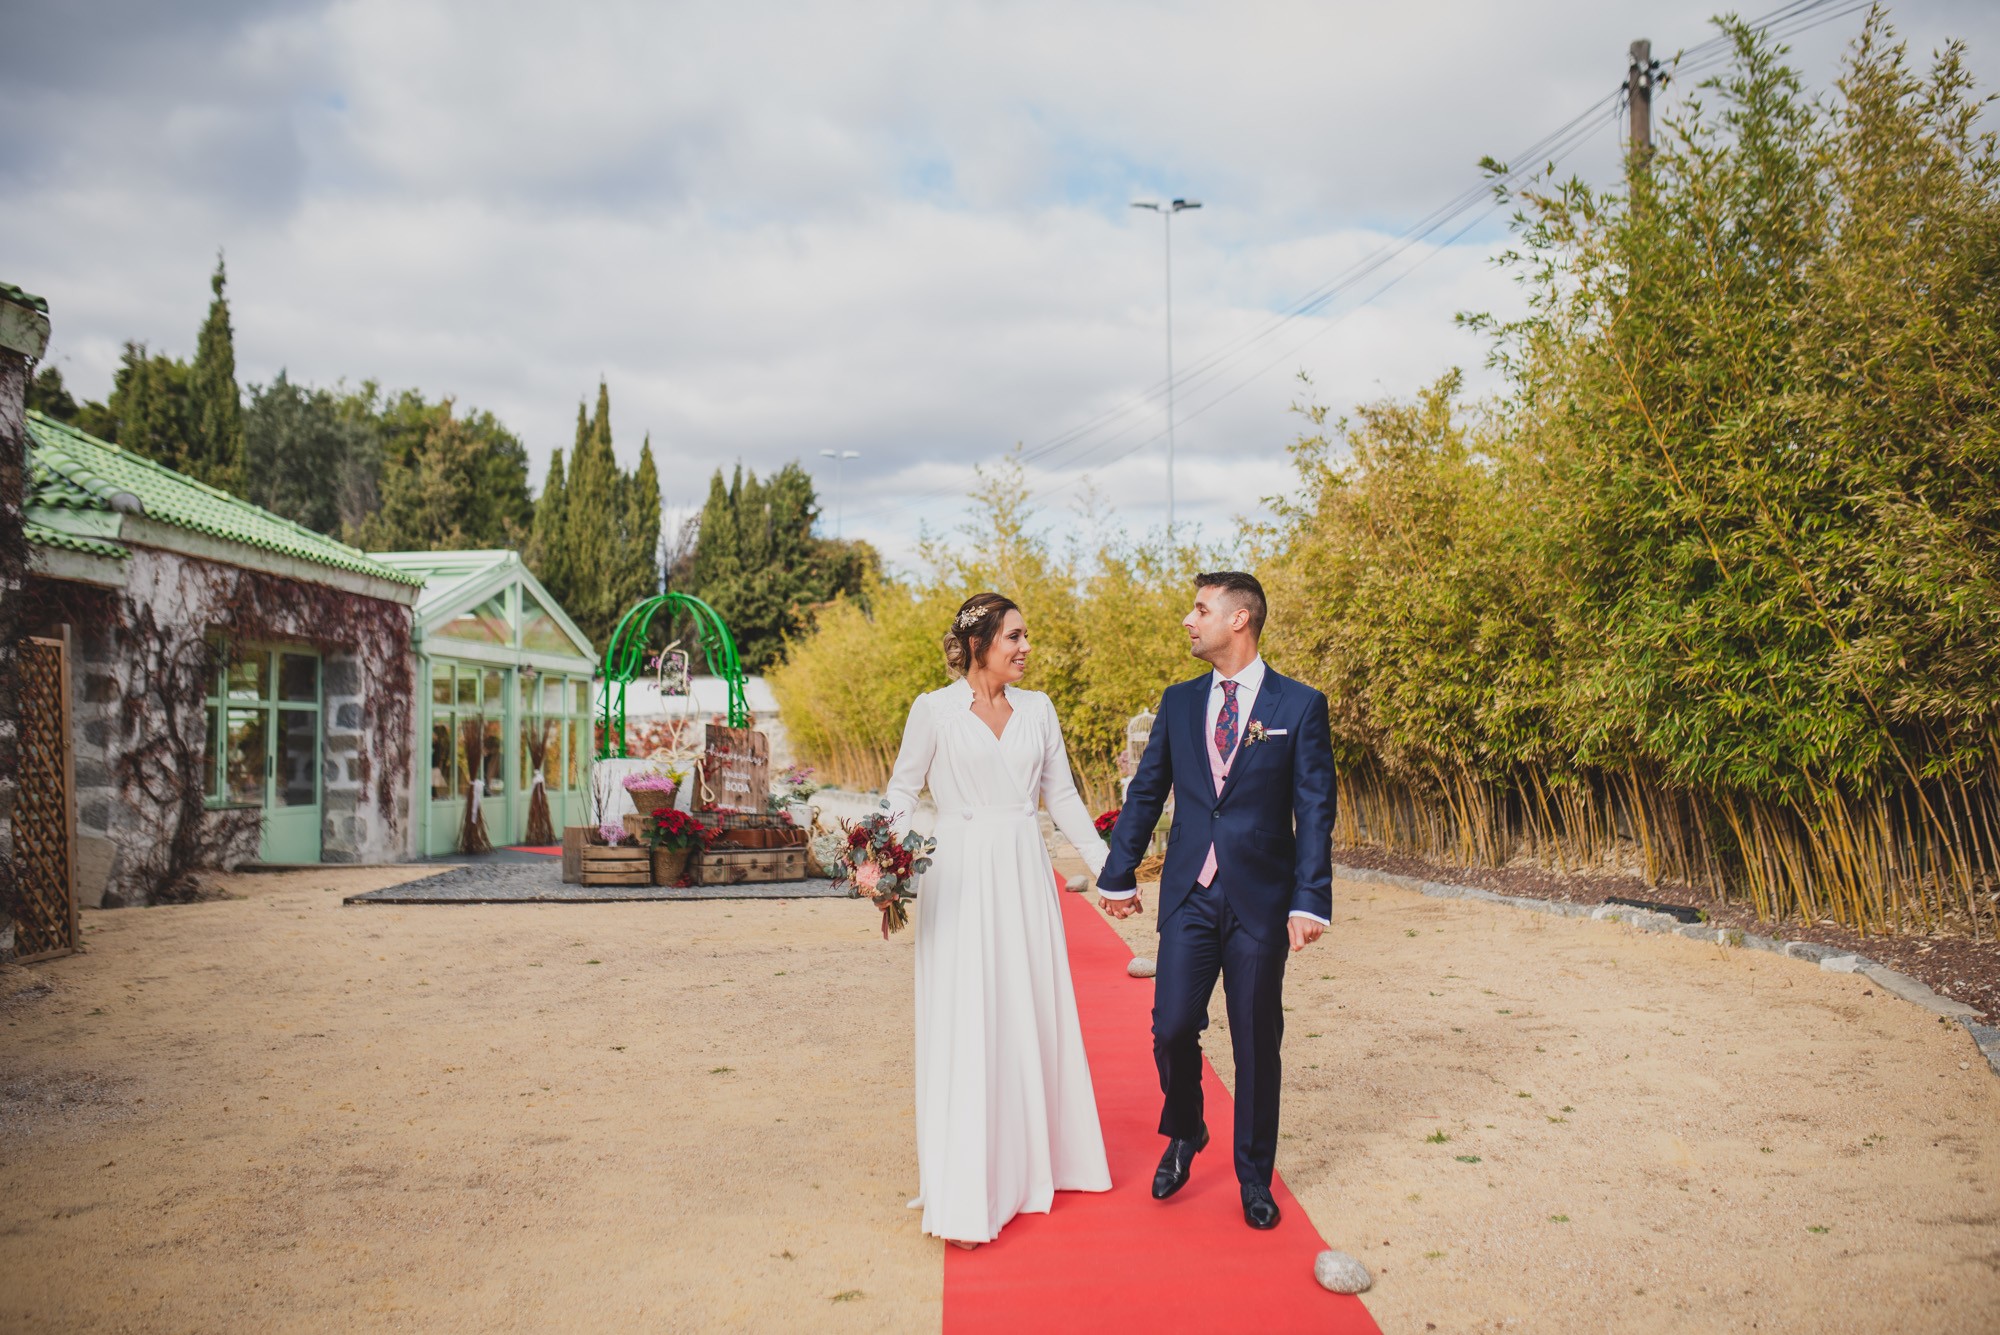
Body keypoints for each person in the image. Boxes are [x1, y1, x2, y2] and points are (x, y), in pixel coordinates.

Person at [1096, 571, 1336, 1231]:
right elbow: (1146, 792)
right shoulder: (1178, 703)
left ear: (1240, 619)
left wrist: (1310, 898)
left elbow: (1315, 809)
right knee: (1171, 1026)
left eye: (1200, 608)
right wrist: (1119, 873)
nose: (1187, 619)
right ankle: (1188, 1126)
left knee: (1258, 1040)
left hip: (1261, 897)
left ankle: (1253, 1176)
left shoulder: (1297, 706)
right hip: (1191, 896)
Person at [885, 592, 1113, 1249]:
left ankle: (1039, 1161)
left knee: (1026, 1006)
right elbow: (903, 789)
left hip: (1022, 869)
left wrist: (1106, 867)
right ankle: (967, 1184)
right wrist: (883, 855)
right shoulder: (933, 710)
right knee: (969, 1014)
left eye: (1025, 636)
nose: (1025, 647)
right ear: (978, 642)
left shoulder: (1039, 709)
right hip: (956, 874)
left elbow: (1062, 795)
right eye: (1013, 636)